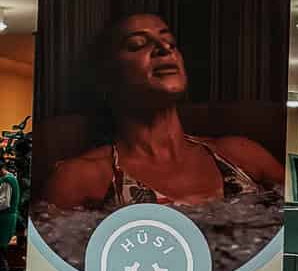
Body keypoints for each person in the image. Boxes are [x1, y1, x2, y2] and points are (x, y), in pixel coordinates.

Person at [44, 12, 284, 210]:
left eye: (171, 43)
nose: (163, 49)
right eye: (137, 44)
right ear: (106, 76)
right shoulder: (81, 178)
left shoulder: (241, 155)